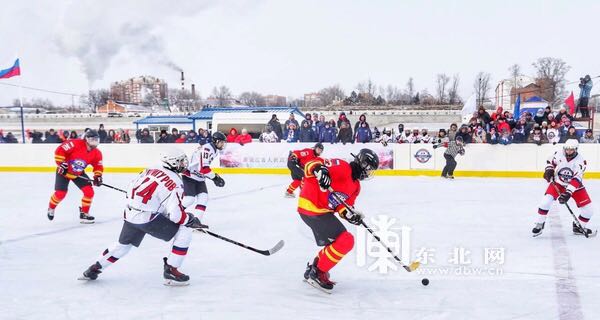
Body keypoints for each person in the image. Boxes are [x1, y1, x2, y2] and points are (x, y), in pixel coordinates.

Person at [80, 148, 207, 285]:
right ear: (173, 163)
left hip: (129, 214)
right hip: (147, 219)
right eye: (181, 161)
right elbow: (176, 216)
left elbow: (132, 188)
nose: (184, 163)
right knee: (185, 230)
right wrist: (190, 220)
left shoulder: (151, 168)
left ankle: (95, 268)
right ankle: (171, 270)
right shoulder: (176, 182)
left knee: (123, 245)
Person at [298, 149, 379, 292]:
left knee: (341, 241)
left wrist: (351, 215)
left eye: (371, 170)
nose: (368, 172)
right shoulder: (342, 166)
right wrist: (320, 170)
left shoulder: (356, 187)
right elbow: (311, 164)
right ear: (361, 162)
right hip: (311, 207)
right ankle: (317, 272)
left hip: (323, 212)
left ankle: (314, 268)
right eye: (368, 168)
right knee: (346, 240)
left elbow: (341, 206)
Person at [532, 139, 596, 237]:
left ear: (576, 150)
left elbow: (576, 179)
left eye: (571, 150)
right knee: (545, 202)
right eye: (567, 149)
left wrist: (568, 193)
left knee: (588, 210)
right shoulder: (559, 154)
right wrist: (549, 169)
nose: (568, 152)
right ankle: (540, 223)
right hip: (558, 183)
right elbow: (550, 161)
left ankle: (578, 227)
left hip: (575, 187)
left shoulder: (580, 161)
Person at [47, 130, 103, 223]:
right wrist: (61, 164)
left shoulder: (97, 153)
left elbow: (98, 166)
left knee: (89, 192)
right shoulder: (75, 143)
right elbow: (60, 150)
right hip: (64, 172)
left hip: (78, 173)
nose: (95, 142)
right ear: (86, 139)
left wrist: (98, 176)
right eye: (92, 139)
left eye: (96, 139)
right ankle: (51, 208)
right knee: (61, 193)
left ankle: (84, 214)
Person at [181, 132, 226, 220]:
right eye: (221, 142)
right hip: (190, 175)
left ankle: (196, 221)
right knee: (189, 199)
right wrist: (215, 178)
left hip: (199, 177)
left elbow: (203, 169)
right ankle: (173, 213)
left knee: (204, 198)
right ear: (216, 141)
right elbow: (203, 168)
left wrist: (214, 177)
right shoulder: (207, 149)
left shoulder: (214, 150)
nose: (223, 144)